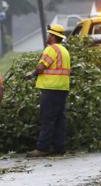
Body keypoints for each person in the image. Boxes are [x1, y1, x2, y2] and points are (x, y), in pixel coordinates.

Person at [26, 24, 71, 157]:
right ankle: (59, 148)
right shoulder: (64, 51)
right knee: (59, 119)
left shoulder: (51, 49)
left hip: (51, 88)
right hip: (62, 87)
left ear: (52, 36)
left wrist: (31, 74)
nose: (48, 36)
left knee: (48, 118)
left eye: (49, 34)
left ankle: (42, 148)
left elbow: (41, 67)